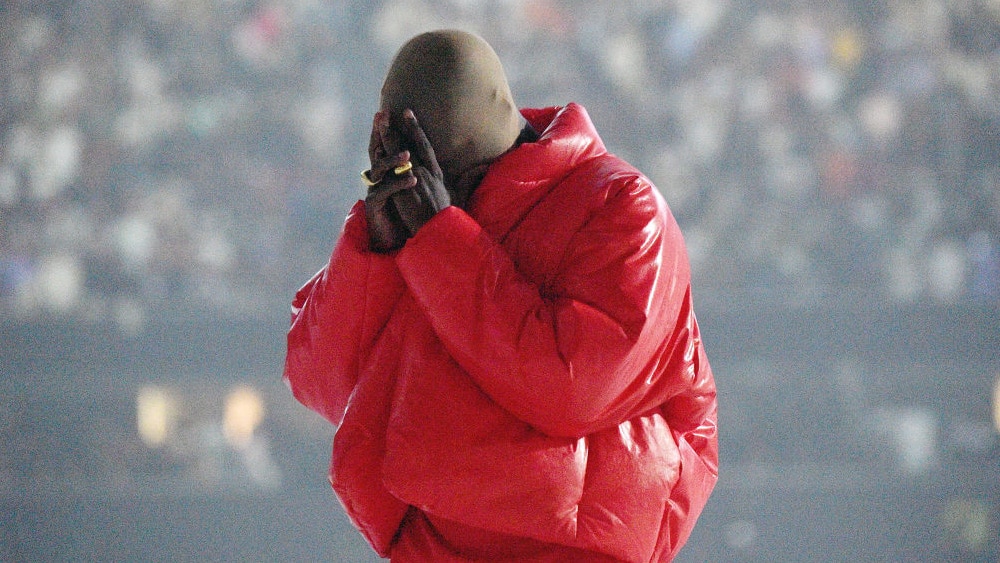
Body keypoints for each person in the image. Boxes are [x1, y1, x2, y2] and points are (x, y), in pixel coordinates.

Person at [284, 29, 718, 562]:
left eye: (448, 178)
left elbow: (572, 388)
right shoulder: (417, 217)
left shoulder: (623, 207)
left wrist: (442, 237)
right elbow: (320, 386)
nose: (439, 196)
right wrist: (373, 251)